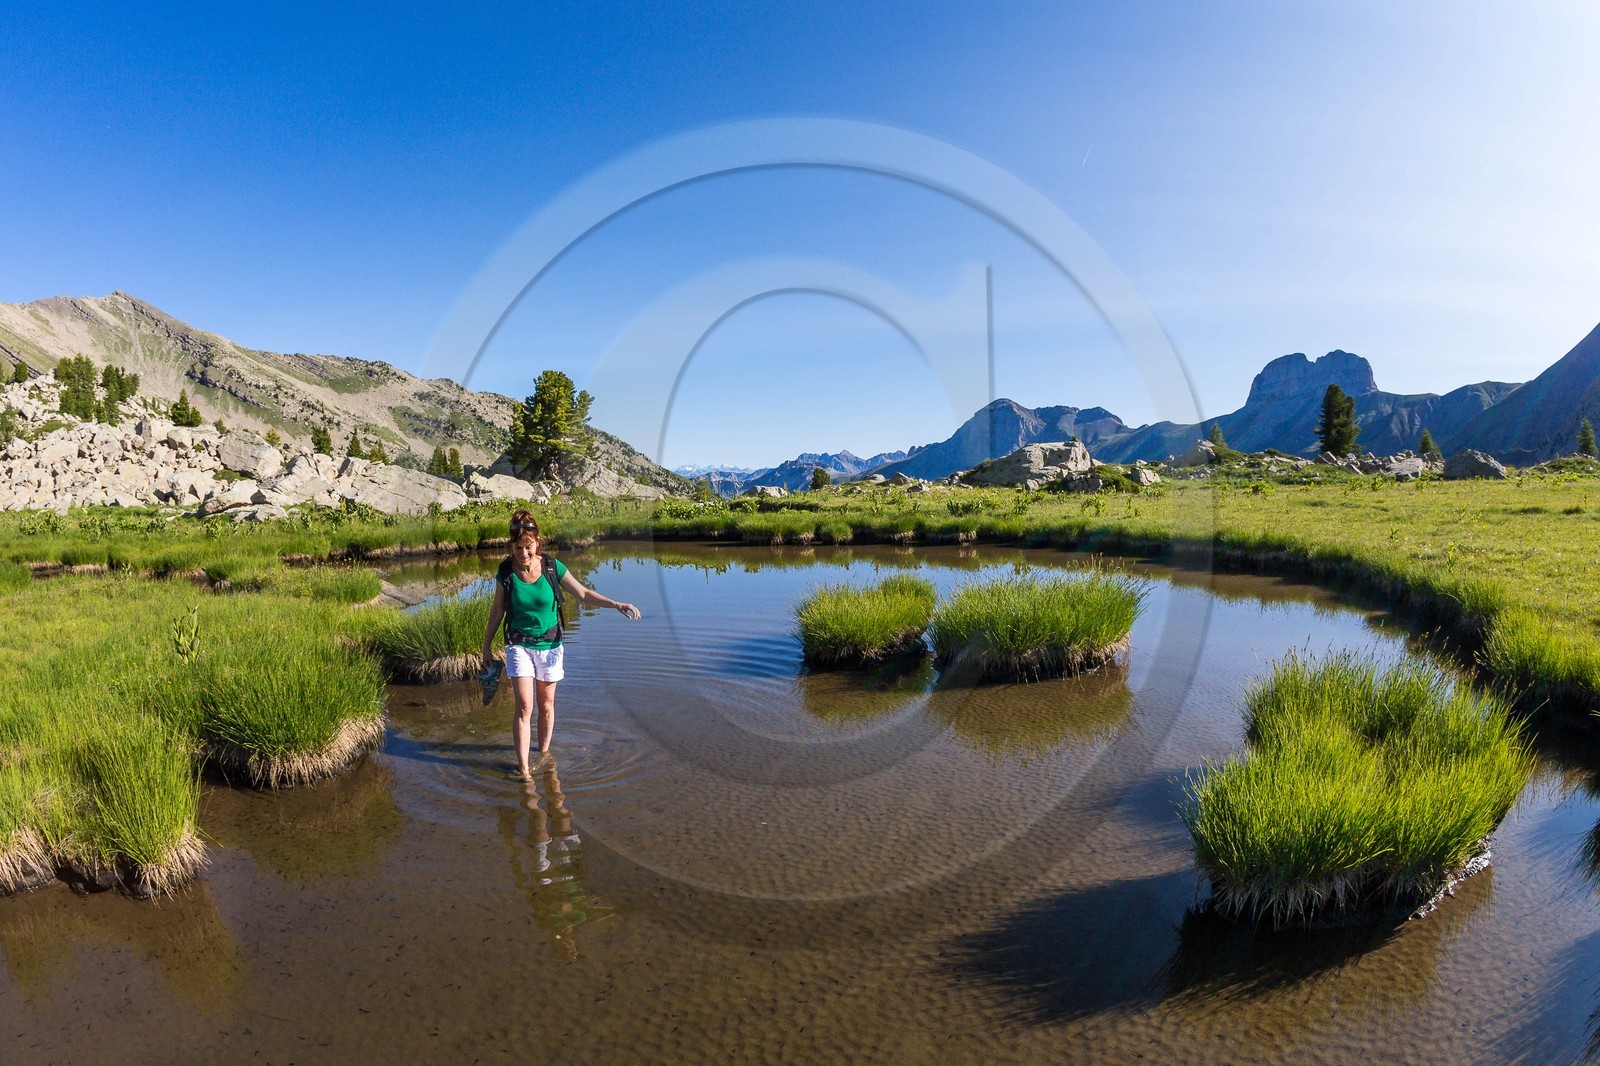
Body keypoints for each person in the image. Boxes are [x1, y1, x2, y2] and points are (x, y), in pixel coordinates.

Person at [481, 510, 640, 778]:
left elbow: (583, 593)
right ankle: (524, 771)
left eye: (528, 547)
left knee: (546, 705)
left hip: (551, 646)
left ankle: (543, 756)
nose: (523, 554)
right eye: (518, 548)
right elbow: (497, 611)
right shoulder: (505, 571)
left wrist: (616, 604)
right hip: (518, 644)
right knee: (524, 707)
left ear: (538, 542)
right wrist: (486, 647)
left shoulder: (553, 567)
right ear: (512, 546)